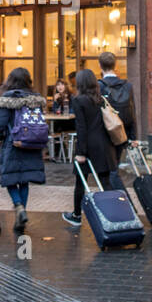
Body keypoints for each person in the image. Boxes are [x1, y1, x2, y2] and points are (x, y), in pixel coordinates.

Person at [0, 67, 47, 236]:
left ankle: (18, 205)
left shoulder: (7, 99)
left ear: (10, 81)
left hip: (13, 144)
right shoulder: (36, 99)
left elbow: (1, 124)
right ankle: (22, 212)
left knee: (10, 178)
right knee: (24, 180)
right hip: (31, 144)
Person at [64, 68, 120, 227]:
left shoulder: (78, 100)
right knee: (105, 181)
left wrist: (80, 152)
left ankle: (76, 215)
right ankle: (114, 214)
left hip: (88, 146)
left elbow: (81, 128)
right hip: (104, 145)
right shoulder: (101, 99)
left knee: (80, 182)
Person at [98, 51, 136, 151]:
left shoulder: (99, 86)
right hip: (123, 131)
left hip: (106, 131)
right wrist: (133, 136)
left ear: (99, 66)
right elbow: (132, 111)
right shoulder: (127, 86)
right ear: (115, 65)